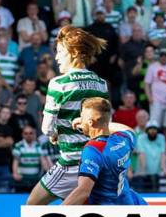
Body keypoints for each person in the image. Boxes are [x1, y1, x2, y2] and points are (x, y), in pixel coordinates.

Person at [27, 25, 109, 205]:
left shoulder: (58, 84)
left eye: (59, 52)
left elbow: (46, 128)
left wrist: (54, 135)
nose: (56, 58)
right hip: (97, 160)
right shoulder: (101, 83)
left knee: (32, 205)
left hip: (71, 162)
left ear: (73, 52)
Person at [63, 97, 147, 205]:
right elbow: (129, 130)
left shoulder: (93, 149)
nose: (80, 119)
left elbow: (83, 192)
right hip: (129, 202)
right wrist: (103, 122)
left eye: (82, 116)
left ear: (90, 122)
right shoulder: (123, 139)